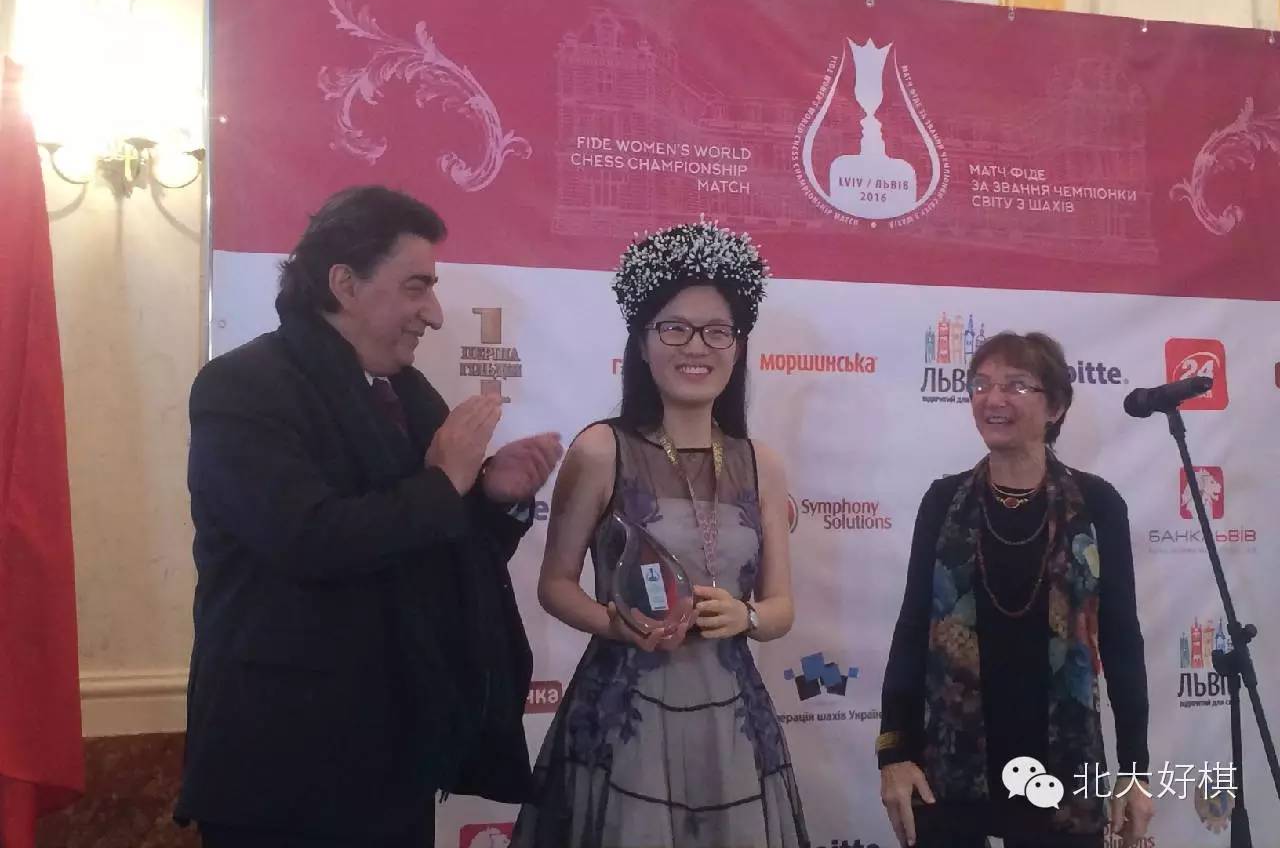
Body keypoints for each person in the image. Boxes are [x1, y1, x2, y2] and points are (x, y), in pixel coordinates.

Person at [176, 186, 562, 848]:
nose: (434, 314)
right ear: (345, 284)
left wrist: (494, 498)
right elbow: (307, 539)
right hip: (281, 768)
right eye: (417, 287)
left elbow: (438, 548)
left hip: (395, 757)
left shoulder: (407, 393)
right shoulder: (243, 385)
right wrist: (445, 481)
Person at [511, 218, 809, 848]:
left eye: (717, 331)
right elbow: (554, 585)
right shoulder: (601, 450)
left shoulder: (763, 463)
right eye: (674, 328)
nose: (696, 347)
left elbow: (781, 607)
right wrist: (616, 623)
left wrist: (747, 617)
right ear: (643, 344)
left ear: (737, 347)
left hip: (730, 718)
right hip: (627, 714)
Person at [877, 331, 1153, 848]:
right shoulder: (943, 502)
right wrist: (893, 753)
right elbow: (912, 630)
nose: (993, 398)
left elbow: (1120, 639)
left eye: (1016, 385)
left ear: (1056, 407)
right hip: (951, 766)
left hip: (1063, 767)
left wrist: (1135, 770)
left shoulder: (1096, 504)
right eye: (981, 384)